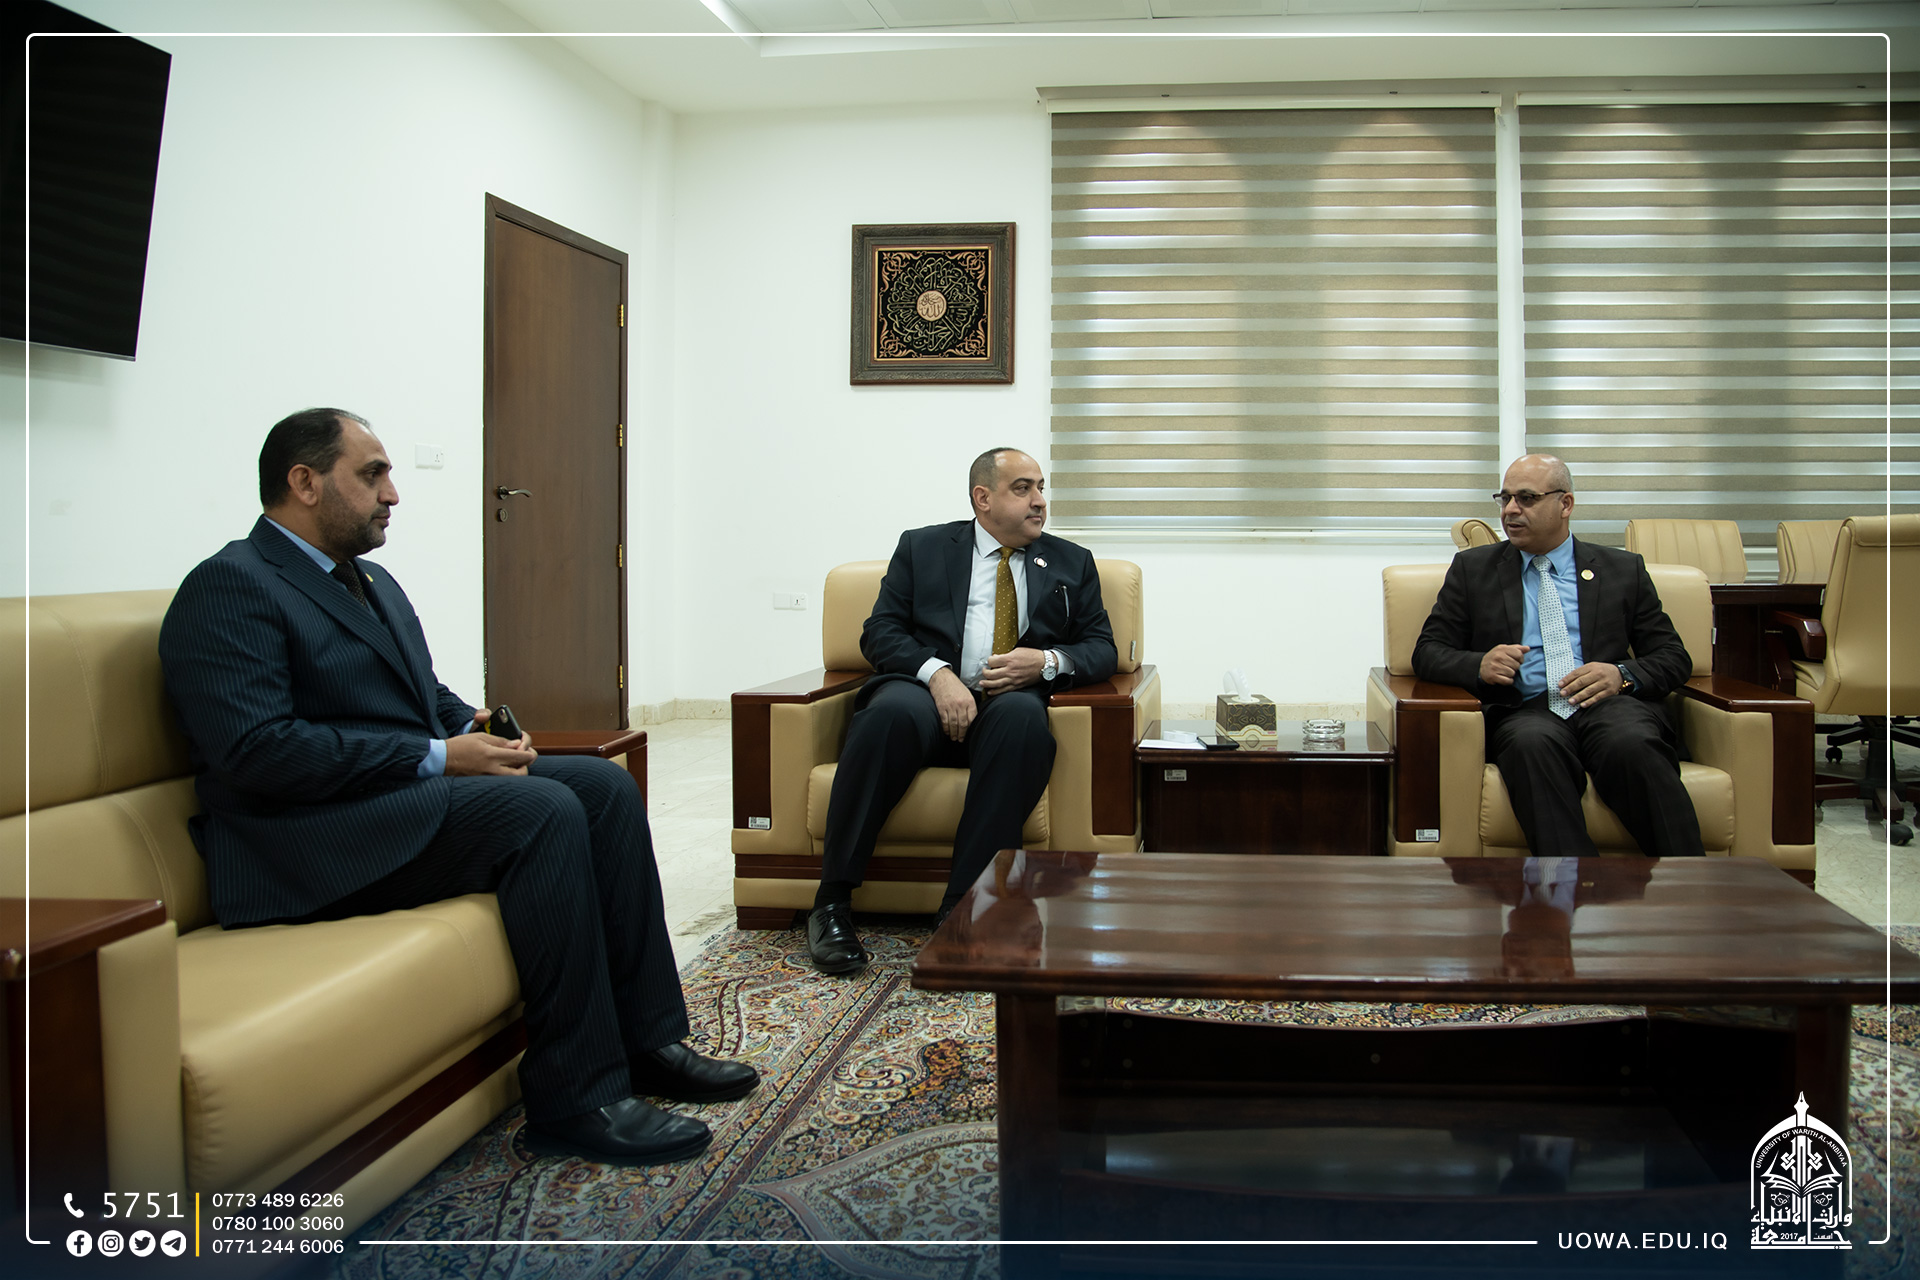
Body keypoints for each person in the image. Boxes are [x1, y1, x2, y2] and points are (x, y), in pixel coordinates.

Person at [159, 407, 756, 1167]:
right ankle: (576, 1097)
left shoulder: (369, 580)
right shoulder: (230, 586)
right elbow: (257, 752)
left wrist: (473, 726)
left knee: (600, 788)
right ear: (304, 482)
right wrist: (439, 756)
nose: (393, 494)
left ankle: (645, 1043)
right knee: (539, 810)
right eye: (372, 474)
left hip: (384, 803)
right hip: (304, 842)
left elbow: (424, 695)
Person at [806, 448, 1118, 974]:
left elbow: (1101, 648)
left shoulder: (1071, 561)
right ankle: (832, 902)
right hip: (924, 698)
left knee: (1023, 721)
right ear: (983, 498)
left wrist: (1045, 662)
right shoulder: (923, 548)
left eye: (1041, 487)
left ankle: (968, 907)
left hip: (1005, 704)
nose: (1039, 501)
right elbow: (879, 632)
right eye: (1023, 488)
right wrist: (937, 674)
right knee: (887, 714)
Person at [1411, 454, 1704, 859]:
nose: (1510, 510)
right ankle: (1572, 884)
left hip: (1610, 706)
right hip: (1524, 708)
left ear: (1565, 504)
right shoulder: (1472, 570)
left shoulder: (1622, 569)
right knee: (1531, 745)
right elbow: (1428, 652)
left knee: (1630, 743)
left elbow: (1673, 657)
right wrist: (1478, 664)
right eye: (1505, 498)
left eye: (1527, 498)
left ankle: (1689, 880)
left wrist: (1621, 674)